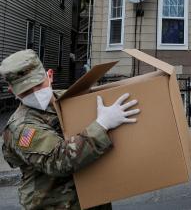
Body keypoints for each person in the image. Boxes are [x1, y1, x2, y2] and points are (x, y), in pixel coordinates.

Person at [0, 49, 140, 210]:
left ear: (49, 75)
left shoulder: (69, 98)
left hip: (93, 198)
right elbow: (59, 160)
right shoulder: (21, 127)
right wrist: (102, 124)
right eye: (26, 91)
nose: (35, 93)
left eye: (38, 85)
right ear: (13, 92)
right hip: (55, 204)